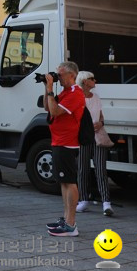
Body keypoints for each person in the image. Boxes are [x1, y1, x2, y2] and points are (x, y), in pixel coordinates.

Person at [43, 62, 85, 237]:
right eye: (57, 74)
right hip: (59, 141)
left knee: (69, 181)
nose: (58, 77)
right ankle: (67, 218)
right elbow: (47, 107)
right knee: (64, 181)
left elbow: (54, 110)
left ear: (72, 75)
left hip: (67, 142)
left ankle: (71, 224)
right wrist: (46, 88)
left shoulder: (75, 93)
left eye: (61, 75)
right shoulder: (66, 92)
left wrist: (51, 88)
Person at [75, 71, 113, 217]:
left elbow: (101, 115)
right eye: (91, 78)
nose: (94, 80)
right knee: (82, 169)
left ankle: (106, 202)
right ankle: (83, 200)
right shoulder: (78, 98)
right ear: (84, 82)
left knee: (100, 169)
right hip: (84, 136)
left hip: (97, 135)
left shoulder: (96, 97)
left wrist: (101, 123)